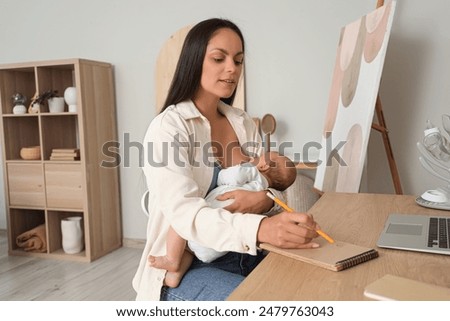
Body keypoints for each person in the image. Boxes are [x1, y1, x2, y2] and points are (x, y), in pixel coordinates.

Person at [132, 18, 320, 301]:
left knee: (315, 290)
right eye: (219, 58)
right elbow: (185, 215)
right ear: (194, 61)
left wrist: (266, 201)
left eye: (239, 60)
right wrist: (260, 227)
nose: (232, 69)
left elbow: (263, 184)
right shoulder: (168, 128)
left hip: (246, 250)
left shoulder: (242, 122)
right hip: (188, 266)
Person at [149, 151, 297, 288]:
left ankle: (172, 260)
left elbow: (224, 177)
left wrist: (244, 167)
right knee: (192, 248)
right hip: (220, 248)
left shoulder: (250, 170)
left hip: (211, 228)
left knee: (181, 220)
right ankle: (175, 274)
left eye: (265, 154)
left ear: (264, 166)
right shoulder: (260, 187)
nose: (258, 154)